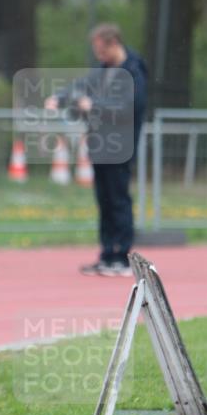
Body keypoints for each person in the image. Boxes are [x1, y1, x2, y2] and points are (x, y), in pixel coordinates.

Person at [45, 23, 147, 276]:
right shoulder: (103, 71)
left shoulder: (134, 69)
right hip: (99, 144)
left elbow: (129, 106)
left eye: (102, 51)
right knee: (104, 200)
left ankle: (123, 257)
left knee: (118, 199)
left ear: (114, 43)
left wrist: (95, 105)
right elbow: (81, 86)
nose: (99, 57)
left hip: (121, 145)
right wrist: (59, 97)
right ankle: (107, 255)